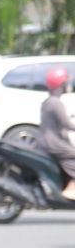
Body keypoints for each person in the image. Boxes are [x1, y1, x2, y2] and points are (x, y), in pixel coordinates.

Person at [38, 67, 75, 201]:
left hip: (47, 141)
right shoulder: (56, 103)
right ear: (61, 84)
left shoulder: (49, 101)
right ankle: (71, 188)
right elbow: (66, 124)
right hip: (54, 143)